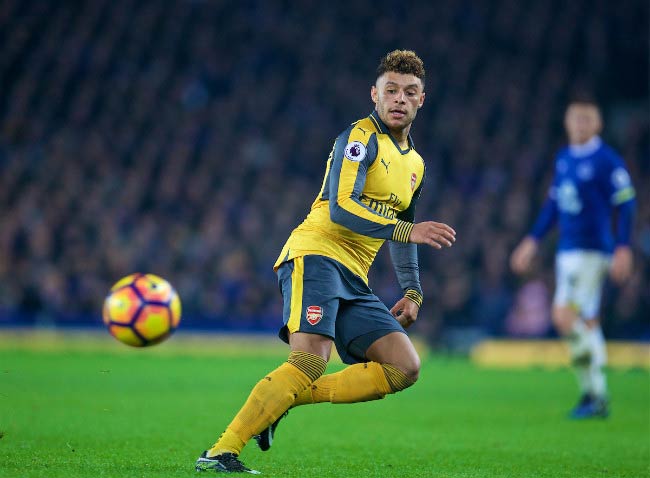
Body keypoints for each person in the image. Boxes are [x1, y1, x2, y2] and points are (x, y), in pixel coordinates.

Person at [195, 50, 456, 473]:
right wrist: (408, 230)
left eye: (410, 92)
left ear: (421, 100)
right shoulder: (359, 138)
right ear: (374, 94)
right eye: (391, 90)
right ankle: (221, 451)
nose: (399, 99)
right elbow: (341, 207)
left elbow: (401, 227)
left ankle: (280, 403)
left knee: (405, 366)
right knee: (310, 361)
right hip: (316, 254)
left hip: (354, 276)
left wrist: (412, 290)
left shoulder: (416, 165)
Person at [510, 100, 636, 419]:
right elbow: (553, 205)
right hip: (567, 251)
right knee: (586, 322)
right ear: (566, 122)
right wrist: (531, 240)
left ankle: (598, 393)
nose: (580, 124)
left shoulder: (606, 160)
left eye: (586, 118)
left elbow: (627, 202)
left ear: (598, 124)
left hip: (592, 251)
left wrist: (623, 246)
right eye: (575, 118)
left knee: (564, 318)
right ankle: (594, 395)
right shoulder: (564, 158)